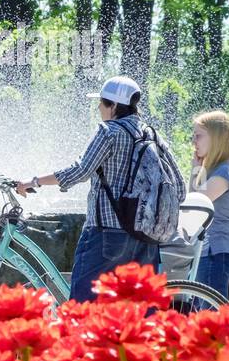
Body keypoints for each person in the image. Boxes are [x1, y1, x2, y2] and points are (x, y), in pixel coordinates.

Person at [15, 75, 169, 302]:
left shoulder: (109, 131)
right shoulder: (152, 134)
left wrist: (34, 182)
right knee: (140, 307)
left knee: (83, 305)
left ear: (114, 105)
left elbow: (80, 171)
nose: (98, 107)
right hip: (146, 234)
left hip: (107, 233)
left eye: (102, 102)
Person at [189, 111, 229, 298]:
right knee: (203, 312)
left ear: (215, 138)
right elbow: (193, 202)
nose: (193, 142)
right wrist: (197, 169)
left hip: (216, 251)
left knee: (211, 313)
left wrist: (196, 169)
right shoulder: (217, 170)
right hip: (210, 251)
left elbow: (196, 204)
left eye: (198, 136)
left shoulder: (226, 172)